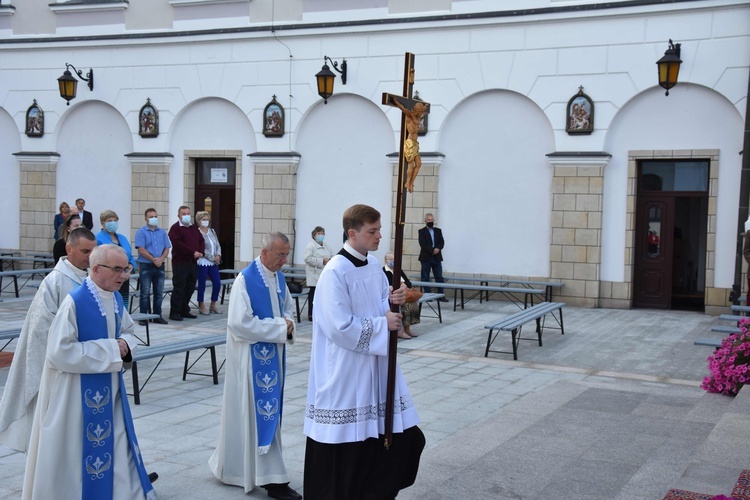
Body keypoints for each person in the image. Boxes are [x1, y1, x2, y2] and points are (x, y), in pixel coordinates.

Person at [304, 204, 425, 500]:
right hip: (346, 369)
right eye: (373, 231)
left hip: (374, 367)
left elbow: (378, 308)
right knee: (348, 445)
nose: (379, 236)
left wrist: (392, 301)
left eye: (380, 229)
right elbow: (339, 326)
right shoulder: (335, 272)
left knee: (405, 438)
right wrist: (383, 323)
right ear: (352, 233)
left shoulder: (374, 267)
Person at [22, 244, 156, 500]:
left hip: (110, 391)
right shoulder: (75, 302)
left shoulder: (115, 298)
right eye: (118, 269)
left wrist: (126, 345)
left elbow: (128, 330)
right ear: (95, 269)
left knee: (115, 443)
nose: (124, 275)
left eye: (126, 268)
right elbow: (59, 352)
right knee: (75, 450)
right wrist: (111, 349)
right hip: (74, 396)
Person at [209, 232, 302, 500]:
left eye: (286, 254)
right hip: (250, 362)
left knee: (264, 415)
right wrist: (279, 327)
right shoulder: (246, 280)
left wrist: (288, 322)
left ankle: (243, 469)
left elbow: (287, 310)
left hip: (273, 359)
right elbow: (239, 323)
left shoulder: (279, 278)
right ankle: (273, 480)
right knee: (257, 413)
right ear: (264, 253)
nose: (284, 260)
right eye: (280, 255)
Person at [0, 227, 97, 453]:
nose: (89, 257)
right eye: (84, 251)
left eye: (93, 252)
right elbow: (40, 329)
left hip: (87, 361)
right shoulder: (55, 281)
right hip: (62, 364)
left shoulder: (92, 278)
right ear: (69, 249)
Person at [96, 209, 138, 311]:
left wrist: (129, 269)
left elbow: (130, 257)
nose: (113, 223)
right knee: (109, 308)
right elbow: (97, 259)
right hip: (108, 279)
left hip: (123, 277)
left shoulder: (122, 238)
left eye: (115, 220)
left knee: (123, 307)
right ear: (103, 223)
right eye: (110, 221)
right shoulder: (98, 238)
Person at [134, 208, 171, 325]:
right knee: (145, 293)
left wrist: (161, 259)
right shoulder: (141, 232)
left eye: (155, 216)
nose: (154, 219)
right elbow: (141, 249)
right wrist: (153, 259)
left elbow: (167, 247)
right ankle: (143, 317)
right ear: (146, 219)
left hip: (160, 265)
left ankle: (157, 315)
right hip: (146, 265)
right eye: (151, 217)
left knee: (158, 293)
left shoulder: (162, 232)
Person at [168, 206, 204, 321]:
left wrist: (201, 252)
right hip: (180, 263)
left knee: (190, 287)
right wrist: (192, 252)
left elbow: (201, 240)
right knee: (179, 287)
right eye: (184, 214)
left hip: (193, 262)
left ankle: (184, 309)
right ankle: (174, 312)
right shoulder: (175, 228)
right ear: (179, 216)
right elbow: (178, 244)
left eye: (188, 213)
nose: (186, 216)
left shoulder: (193, 228)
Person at [391, 93, 428, 192]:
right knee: (411, 164)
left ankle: (411, 182)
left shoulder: (418, 116)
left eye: (421, 112)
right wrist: (396, 102)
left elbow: (424, 110)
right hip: (410, 143)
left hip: (415, 143)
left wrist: (425, 107)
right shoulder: (410, 115)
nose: (421, 114)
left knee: (419, 164)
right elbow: (403, 108)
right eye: (419, 112)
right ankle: (408, 182)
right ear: (416, 110)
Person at [383, 251, 421, 339]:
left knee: (413, 304)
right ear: (386, 261)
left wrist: (405, 284)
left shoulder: (398, 270)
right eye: (390, 259)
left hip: (404, 294)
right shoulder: (383, 271)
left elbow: (409, 282)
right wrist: (399, 285)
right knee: (405, 305)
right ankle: (401, 331)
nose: (393, 261)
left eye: (394, 259)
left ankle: (407, 329)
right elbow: (387, 285)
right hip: (393, 296)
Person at [304, 225, 333, 321]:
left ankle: (322, 313)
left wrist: (330, 260)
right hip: (314, 274)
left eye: (322, 233)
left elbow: (332, 256)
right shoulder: (311, 246)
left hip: (324, 274)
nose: (321, 235)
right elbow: (307, 258)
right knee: (313, 295)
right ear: (314, 236)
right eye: (319, 233)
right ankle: (311, 314)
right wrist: (321, 261)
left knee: (323, 295)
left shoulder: (327, 246)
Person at [195, 211, 222, 315]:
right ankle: (201, 305)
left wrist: (218, 255)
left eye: (207, 219)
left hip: (213, 262)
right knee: (202, 284)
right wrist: (212, 257)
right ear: (199, 221)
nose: (206, 221)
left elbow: (217, 245)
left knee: (217, 283)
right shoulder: (197, 232)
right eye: (203, 220)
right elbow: (201, 248)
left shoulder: (212, 231)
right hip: (203, 261)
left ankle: (213, 304)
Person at [418, 212, 447, 301]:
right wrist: (432, 250)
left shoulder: (438, 231)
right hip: (426, 257)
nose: (430, 221)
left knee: (439, 277)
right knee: (425, 277)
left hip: (437, 257)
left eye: (431, 220)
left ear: (434, 220)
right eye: (428, 220)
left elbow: (441, 242)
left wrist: (438, 248)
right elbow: (422, 243)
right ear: (425, 221)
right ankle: (427, 296)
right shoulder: (422, 231)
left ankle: (440, 295)